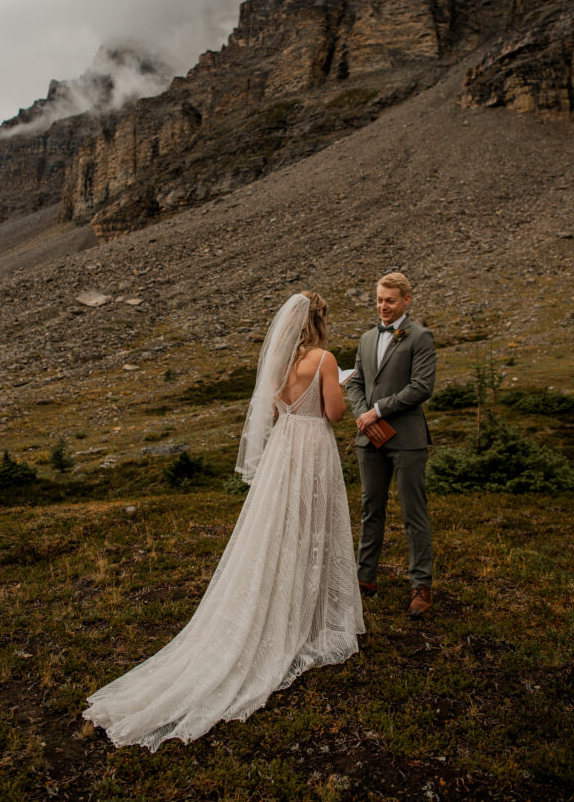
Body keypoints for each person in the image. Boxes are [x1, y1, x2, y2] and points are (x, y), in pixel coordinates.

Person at [83, 291, 364, 752]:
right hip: (312, 450)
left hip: (283, 453)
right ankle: (310, 616)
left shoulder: (278, 362)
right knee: (312, 529)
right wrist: (345, 382)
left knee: (280, 533)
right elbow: (334, 413)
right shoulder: (325, 358)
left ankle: (284, 599)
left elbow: (273, 409)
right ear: (321, 321)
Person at [346, 272, 436, 617]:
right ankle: (365, 578)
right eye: (380, 300)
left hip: (407, 437)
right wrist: (363, 414)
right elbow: (355, 381)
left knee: (414, 512)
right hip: (369, 439)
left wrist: (379, 410)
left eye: (390, 300)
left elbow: (421, 387)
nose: (383, 306)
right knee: (371, 508)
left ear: (406, 301)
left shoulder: (421, 337)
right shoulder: (367, 338)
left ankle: (420, 586)